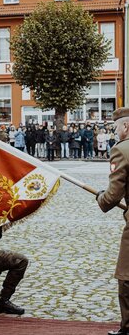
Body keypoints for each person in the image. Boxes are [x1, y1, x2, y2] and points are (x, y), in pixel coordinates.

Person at [96, 107, 129, 335]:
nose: (115, 132)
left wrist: (100, 197)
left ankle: (128, 327)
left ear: (125, 126)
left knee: (126, 276)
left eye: (116, 127)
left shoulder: (122, 150)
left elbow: (111, 198)